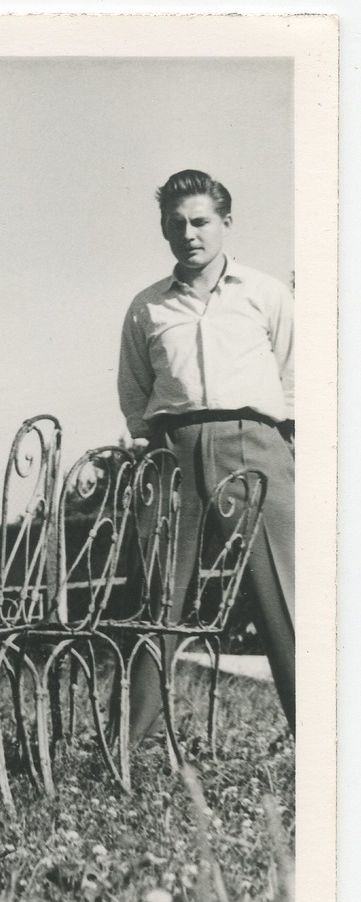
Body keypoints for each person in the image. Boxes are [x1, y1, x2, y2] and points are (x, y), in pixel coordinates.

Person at [117, 169, 296, 743]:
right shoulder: (147, 307)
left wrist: (285, 445)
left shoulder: (264, 292)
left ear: (224, 223)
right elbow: (134, 391)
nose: (188, 233)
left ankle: (324, 743)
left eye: (199, 221)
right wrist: (153, 445)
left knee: (285, 598)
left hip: (256, 446)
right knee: (156, 598)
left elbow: (297, 375)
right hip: (173, 452)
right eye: (176, 224)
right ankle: (129, 745)